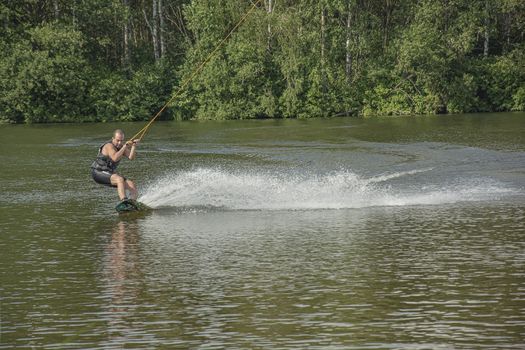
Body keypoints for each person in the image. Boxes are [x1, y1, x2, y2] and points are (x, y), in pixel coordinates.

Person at [91, 129, 139, 201]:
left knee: (132, 185)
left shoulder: (121, 146)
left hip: (109, 173)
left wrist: (134, 146)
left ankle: (132, 203)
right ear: (113, 139)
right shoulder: (108, 146)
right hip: (98, 172)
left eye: (121, 140)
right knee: (119, 179)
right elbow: (115, 158)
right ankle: (124, 200)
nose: (119, 143)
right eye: (117, 140)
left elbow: (131, 157)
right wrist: (124, 146)